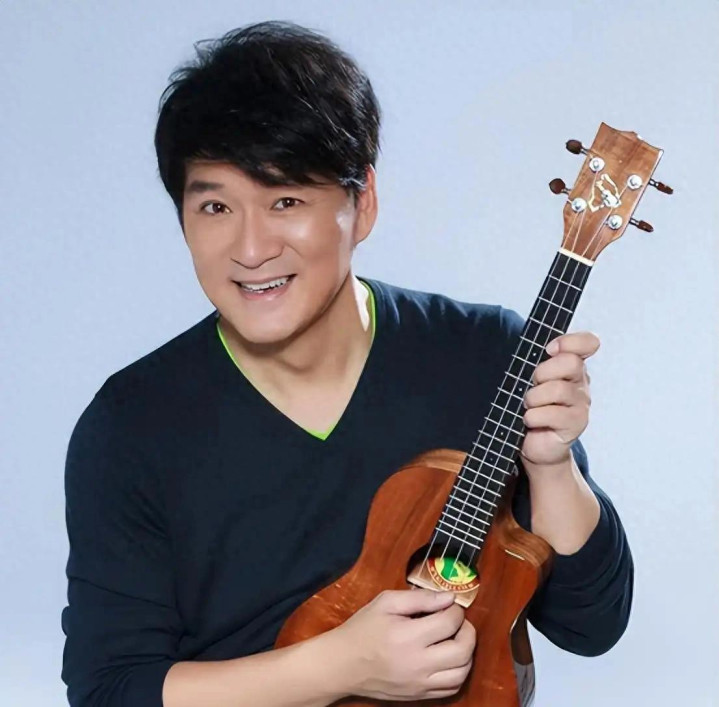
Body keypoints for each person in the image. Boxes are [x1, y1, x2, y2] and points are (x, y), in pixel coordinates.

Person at [60, 20, 633, 707]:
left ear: (362, 204)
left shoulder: (486, 354)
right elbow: (110, 689)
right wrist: (340, 667)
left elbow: (590, 626)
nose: (250, 248)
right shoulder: (131, 425)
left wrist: (552, 467)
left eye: (286, 201)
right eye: (214, 206)